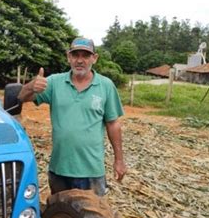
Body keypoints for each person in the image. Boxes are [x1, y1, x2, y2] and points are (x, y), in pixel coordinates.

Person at [18, 37, 127, 196]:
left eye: (85, 55)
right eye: (75, 55)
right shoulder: (55, 82)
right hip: (59, 170)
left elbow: (113, 124)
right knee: (60, 216)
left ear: (94, 58)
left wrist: (119, 160)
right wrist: (31, 86)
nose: (80, 60)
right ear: (68, 57)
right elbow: (22, 97)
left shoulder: (106, 86)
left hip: (91, 171)